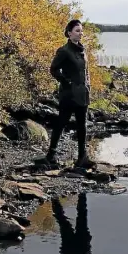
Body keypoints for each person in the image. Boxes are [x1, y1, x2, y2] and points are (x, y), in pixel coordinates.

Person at [41, 19, 95, 168]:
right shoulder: (64, 51)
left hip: (83, 94)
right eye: (77, 31)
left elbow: (86, 72)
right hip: (68, 95)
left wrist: (88, 86)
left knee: (82, 125)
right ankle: (51, 155)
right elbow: (53, 69)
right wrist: (66, 82)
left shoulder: (82, 51)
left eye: (81, 31)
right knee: (61, 123)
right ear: (69, 33)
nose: (81, 33)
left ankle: (82, 157)